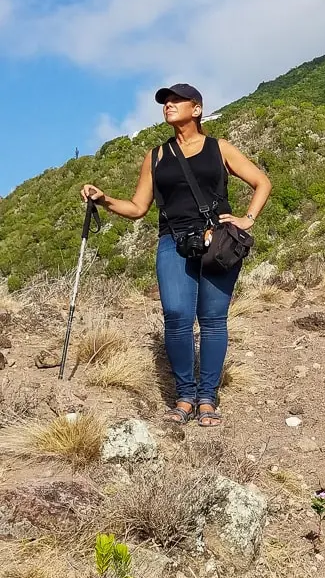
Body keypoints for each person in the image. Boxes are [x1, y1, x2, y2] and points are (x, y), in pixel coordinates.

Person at [80, 83, 272, 427]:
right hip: (173, 240)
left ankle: (207, 398)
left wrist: (247, 219)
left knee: (213, 320)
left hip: (219, 241)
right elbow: (139, 207)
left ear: (196, 109)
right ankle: (185, 395)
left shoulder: (219, 148)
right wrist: (104, 199)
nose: (168, 105)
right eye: (164, 102)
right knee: (176, 314)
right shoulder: (156, 156)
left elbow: (262, 182)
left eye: (176, 101)